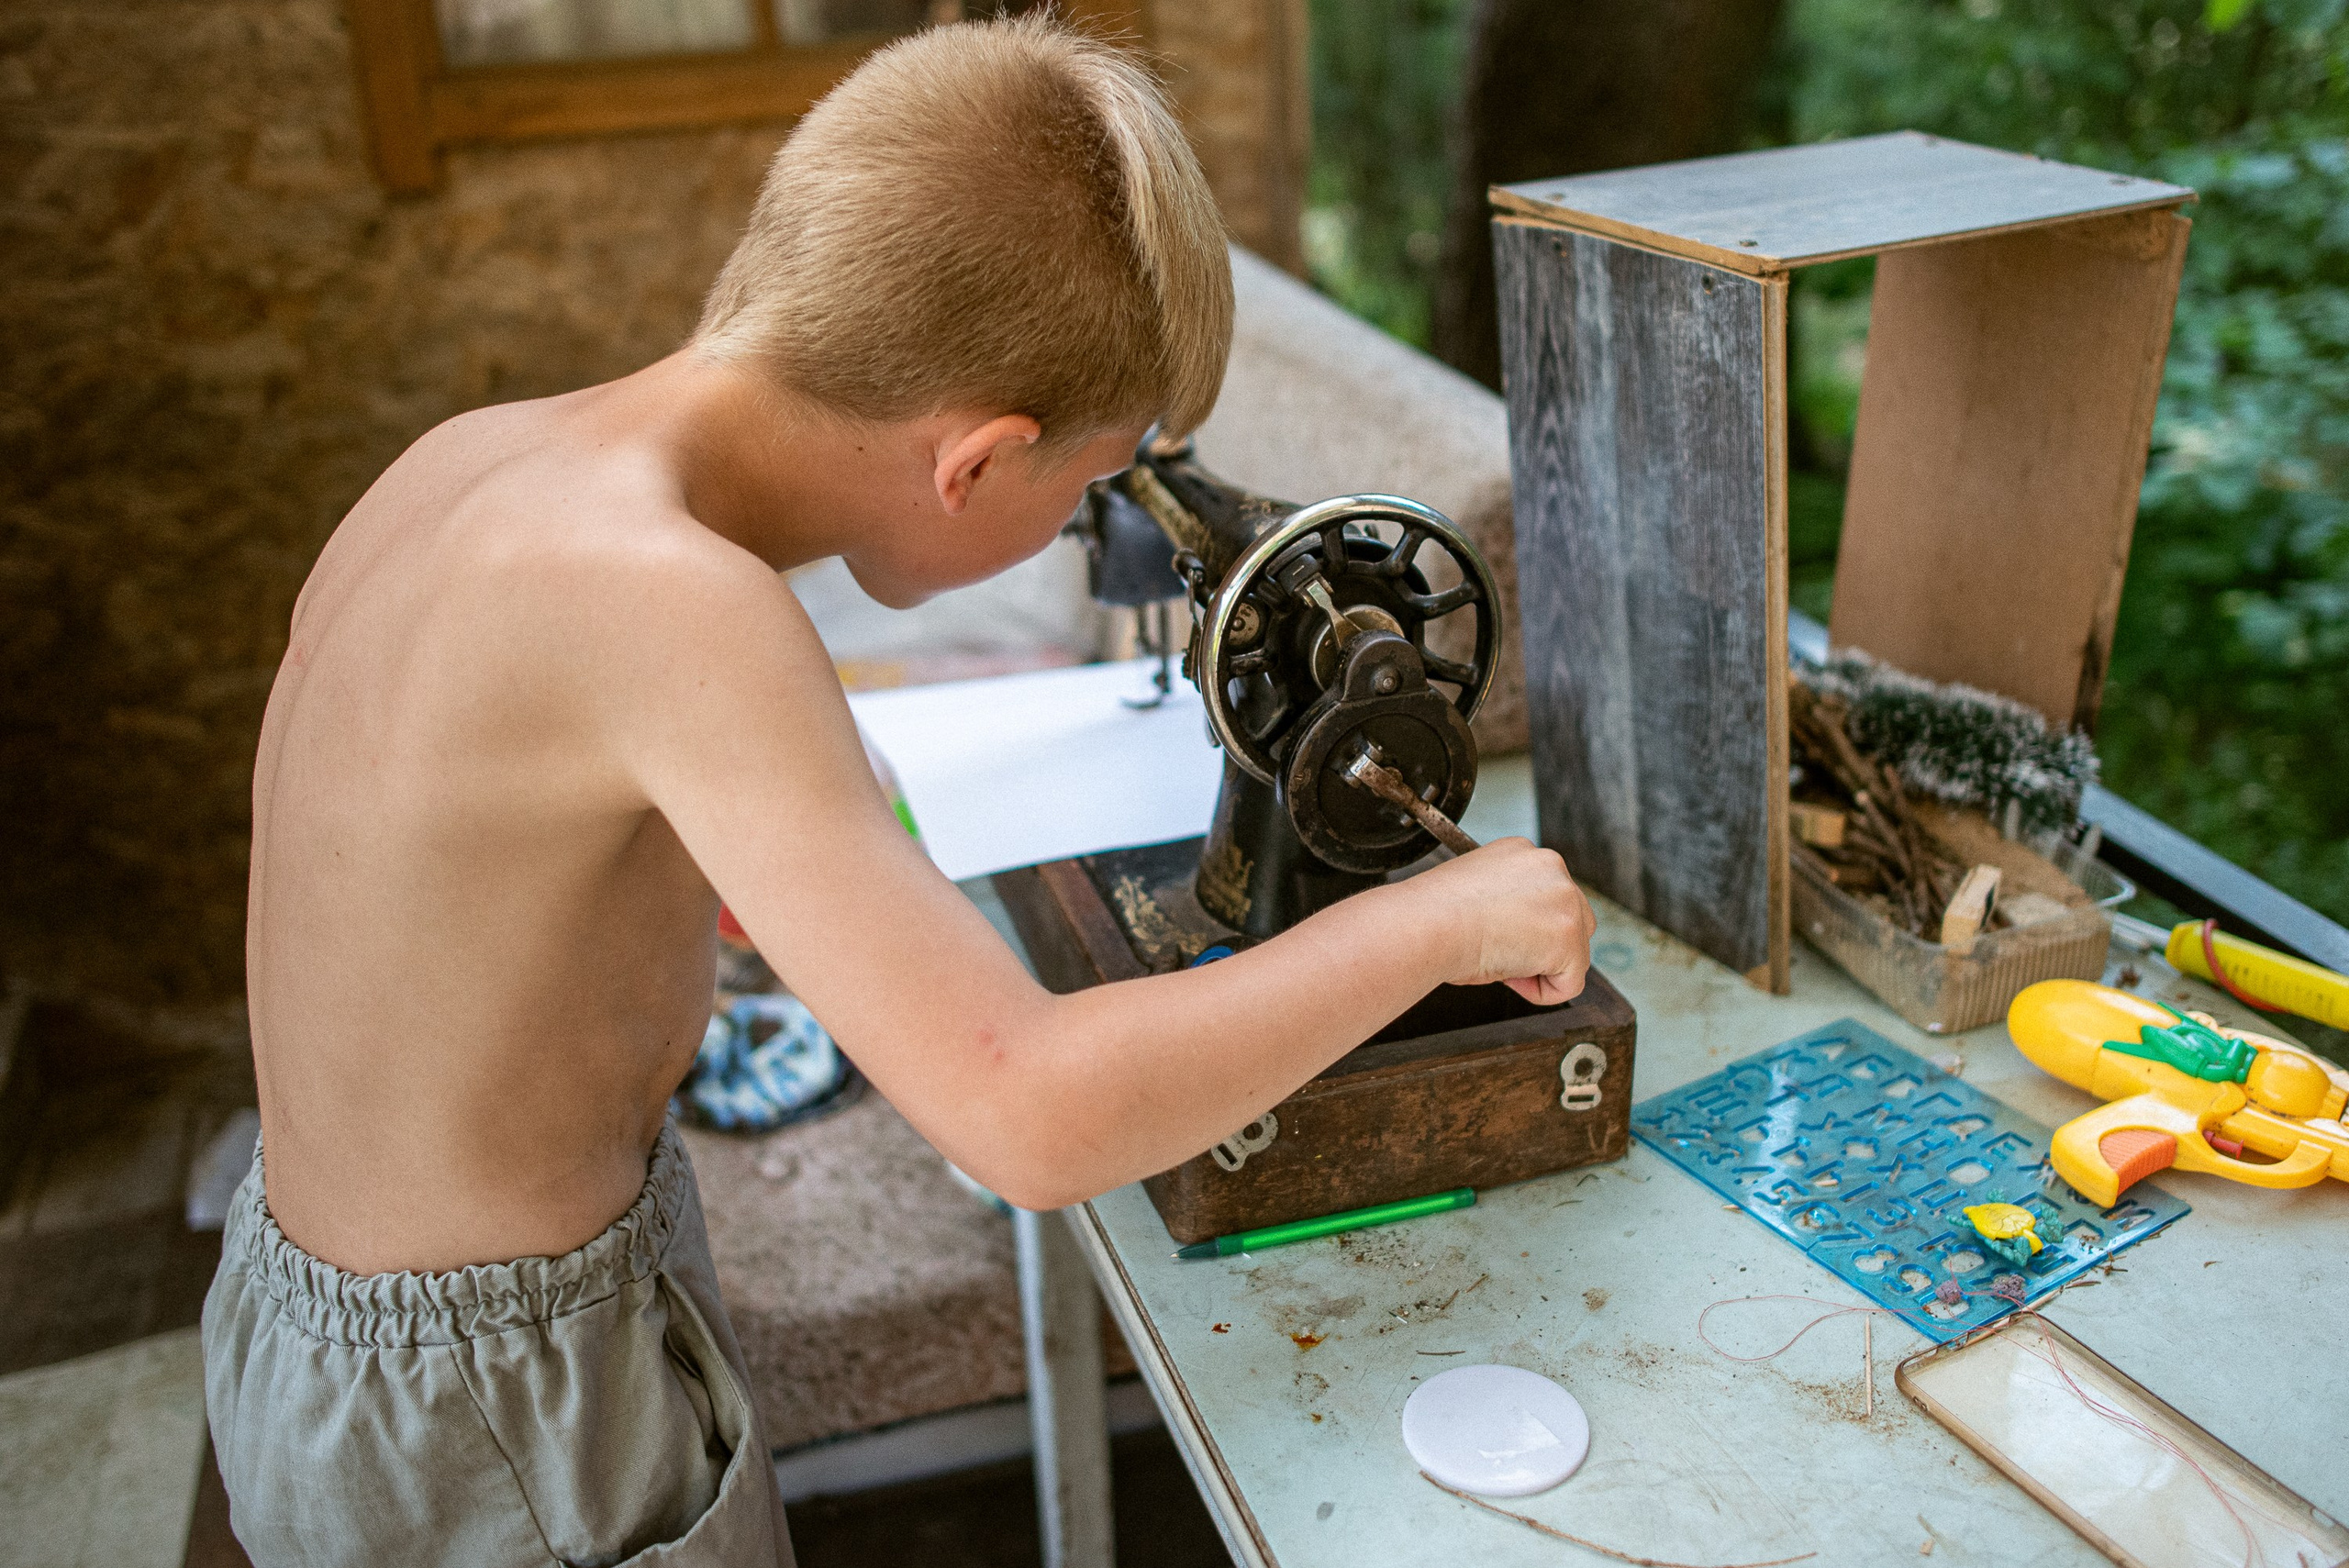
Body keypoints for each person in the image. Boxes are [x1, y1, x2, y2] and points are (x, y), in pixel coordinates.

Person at [206, 14, 1596, 1566]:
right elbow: (1028, 1115)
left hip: (317, 1316)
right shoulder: (680, 606)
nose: (1088, 519)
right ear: (979, 461)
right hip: (501, 1410)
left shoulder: (476, 460)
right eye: (1088, 486)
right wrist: (1444, 922)